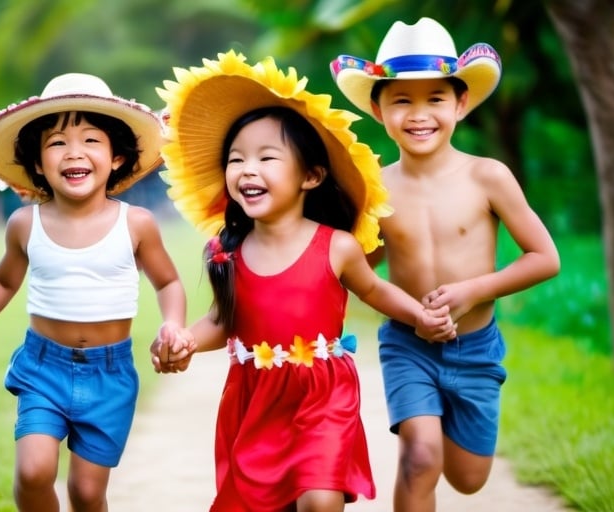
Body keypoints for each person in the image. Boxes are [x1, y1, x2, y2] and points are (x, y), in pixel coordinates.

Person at [150, 50, 456, 512]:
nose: (247, 169)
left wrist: (420, 316)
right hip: (254, 400)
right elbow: (222, 318)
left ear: (311, 176)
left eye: (267, 158)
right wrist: (185, 342)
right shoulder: (226, 252)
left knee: (319, 498)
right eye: (236, 159)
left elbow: (374, 290)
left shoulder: (337, 247)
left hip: (323, 394)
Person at [0, 73, 192, 512]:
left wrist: (173, 323)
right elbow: (2, 281)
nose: (74, 152)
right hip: (43, 368)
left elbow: (168, 281)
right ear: (36, 163)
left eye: (91, 139)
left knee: (87, 494)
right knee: (33, 473)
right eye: (56, 143)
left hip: (110, 374)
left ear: (119, 158)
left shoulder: (137, 223)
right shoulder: (25, 225)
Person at [331, 17, 561, 512]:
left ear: (460, 103)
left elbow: (545, 258)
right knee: (419, 457)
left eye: (435, 98)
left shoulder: (487, 177)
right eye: (401, 100)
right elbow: (358, 270)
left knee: (469, 477)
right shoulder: (375, 190)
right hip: (406, 345)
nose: (419, 114)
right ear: (378, 109)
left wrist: (473, 290)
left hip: (475, 349)